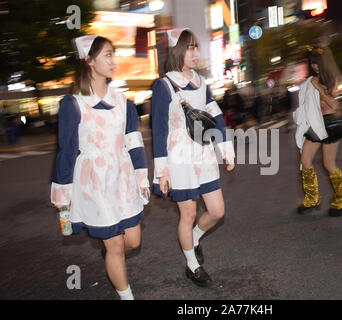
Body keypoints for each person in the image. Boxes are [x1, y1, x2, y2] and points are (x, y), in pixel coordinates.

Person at [50, 35, 150, 300]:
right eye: (107, 54)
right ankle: (126, 294)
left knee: (133, 241)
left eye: (113, 54)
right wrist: (62, 197)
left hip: (122, 176)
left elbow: (133, 141)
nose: (113, 60)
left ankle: (111, 253)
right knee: (116, 244)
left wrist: (142, 177)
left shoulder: (124, 101)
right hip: (93, 181)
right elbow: (66, 152)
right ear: (90, 61)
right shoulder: (73, 104)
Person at [151, 29, 235, 287]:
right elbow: (159, 131)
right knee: (187, 215)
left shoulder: (201, 82)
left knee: (217, 211)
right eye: (190, 48)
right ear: (177, 51)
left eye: (197, 47)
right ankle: (192, 265)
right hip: (178, 159)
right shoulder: (163, 85)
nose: (196, 53)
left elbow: (216, 117)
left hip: (204, 154)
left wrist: (226, 149)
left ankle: (196, 237)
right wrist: (161, 171)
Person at [293, 46, 342, 217]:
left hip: (330, 124)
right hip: (314, 125)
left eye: (317, 63)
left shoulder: (330, 79)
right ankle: (312, 198)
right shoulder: (311, 80)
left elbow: (334, 105)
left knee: (328, 164)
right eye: (312, 63)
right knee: (305, 159)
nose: (315, 66)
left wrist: (319, 89)